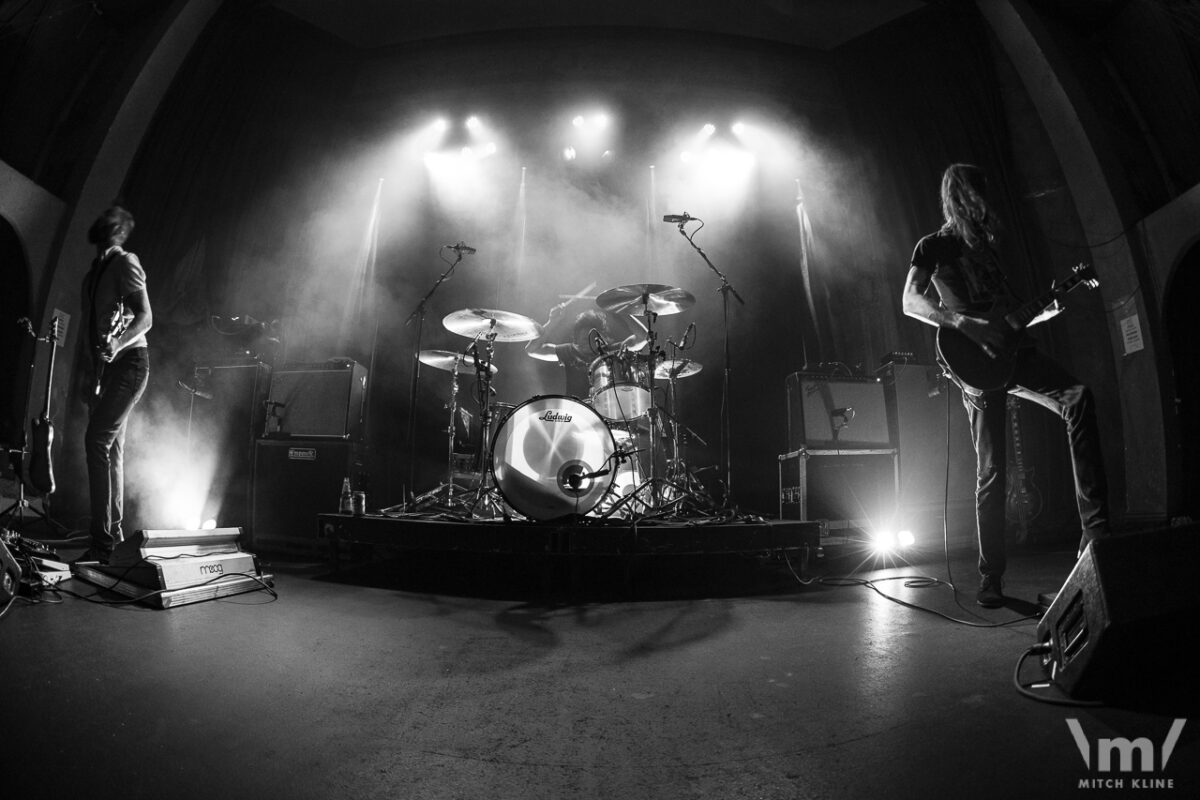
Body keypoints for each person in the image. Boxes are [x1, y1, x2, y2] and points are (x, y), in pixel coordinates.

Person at [901, 164, 1109, 608]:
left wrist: (1051, 304)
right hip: (971, 361)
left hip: (1015, 355)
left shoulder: (991, 252)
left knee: (1079, 398)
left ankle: (1096, 535)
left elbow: (1012, 317)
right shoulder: (934, 245)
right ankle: (990, 577)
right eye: (980, 194)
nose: (989, 204)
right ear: (962, 195)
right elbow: (910, 300)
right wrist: (964, 324)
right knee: (993, 472)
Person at [77, 205, 152, 564]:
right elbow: (91, 329)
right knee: (112, 451)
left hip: (132, 364)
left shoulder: (126, 262)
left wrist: (116, 344)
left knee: (96, 441)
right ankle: (114, 537)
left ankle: (101, 542)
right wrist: (90, 374)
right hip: (107, 371)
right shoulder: (93, 275)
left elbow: (146, 316)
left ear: (120, 233)